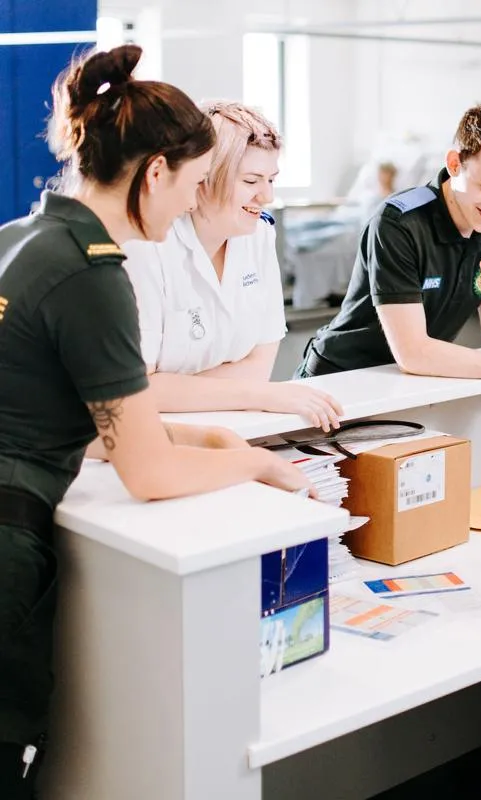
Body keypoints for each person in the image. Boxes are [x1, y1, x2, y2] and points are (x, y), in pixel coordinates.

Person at [0, 46, 312, 799]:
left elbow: (104, 411)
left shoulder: (21, 237)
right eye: (195, 184)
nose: (188, 208)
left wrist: (209, 435)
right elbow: (150, 475)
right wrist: (257, 464)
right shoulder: (94, 274)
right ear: (155, 173)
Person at [295, 97, 481, 391]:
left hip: (403, 383)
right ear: (455, 164)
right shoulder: (398, 224)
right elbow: (414, 353)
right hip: (338, 378)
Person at [122, 101, 342, 430]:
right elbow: (136, 390)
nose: (266, 196)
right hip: (150, 433)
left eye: (271, 180)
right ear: (204, 179)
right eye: (251, 181)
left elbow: (259, 366)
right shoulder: (147, 249)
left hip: (230, 425)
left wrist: (182, 387)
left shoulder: (259, 236)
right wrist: (259, 395)